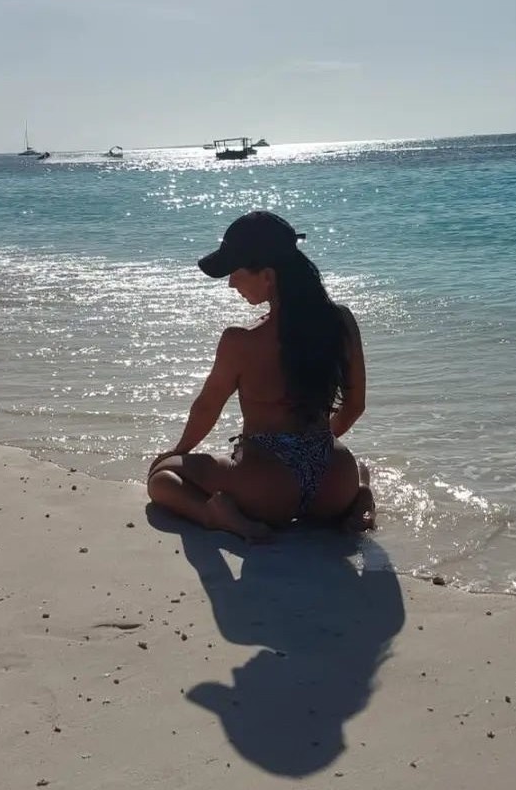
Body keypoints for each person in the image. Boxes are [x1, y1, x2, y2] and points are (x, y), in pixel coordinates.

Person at [147, 211, 375, 543]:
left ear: (267, 275)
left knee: (162, 477)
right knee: (359, 469)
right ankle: (361, 498)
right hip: (335, 483)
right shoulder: (341, 321)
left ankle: (214, 515)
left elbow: (207, 407)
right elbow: (355, 407)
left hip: (268, 490)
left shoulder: (240, 340)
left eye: (235, 272)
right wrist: (313, 446)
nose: (230, 283)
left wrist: (178, 450)